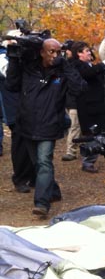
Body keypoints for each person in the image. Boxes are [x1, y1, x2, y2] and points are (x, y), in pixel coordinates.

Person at [6, 38, 85, 217]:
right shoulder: (28, 69)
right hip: (27, 124)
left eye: (58, 52)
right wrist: (13, 59)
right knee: (39, 164)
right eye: (51, 51)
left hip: (49, 125)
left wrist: (65, 65)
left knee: (43, 162)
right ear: (42, 52)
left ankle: (41, 203)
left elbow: (80, 88)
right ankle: (54, 191)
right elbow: (11, 85)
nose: (55, 56)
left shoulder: (62, 72)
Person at [0, 35, 36, 193]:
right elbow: (9, 75)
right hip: (14, 108)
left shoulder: (31, 60)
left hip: (32, 107)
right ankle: (20, 178)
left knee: (35, 142)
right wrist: (13, 54)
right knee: (20, 145)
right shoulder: (4, 57)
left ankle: (35, 176)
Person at [71, 41, 105, 173]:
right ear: (79, 53)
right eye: (87, 51)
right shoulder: (76, 65)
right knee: (92, 135)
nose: (90, 53)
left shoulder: (90, 65)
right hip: (88, 108)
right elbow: (88, 74)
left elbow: (98, 75)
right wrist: (104, 63)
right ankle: (88, 162)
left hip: (99, 105)